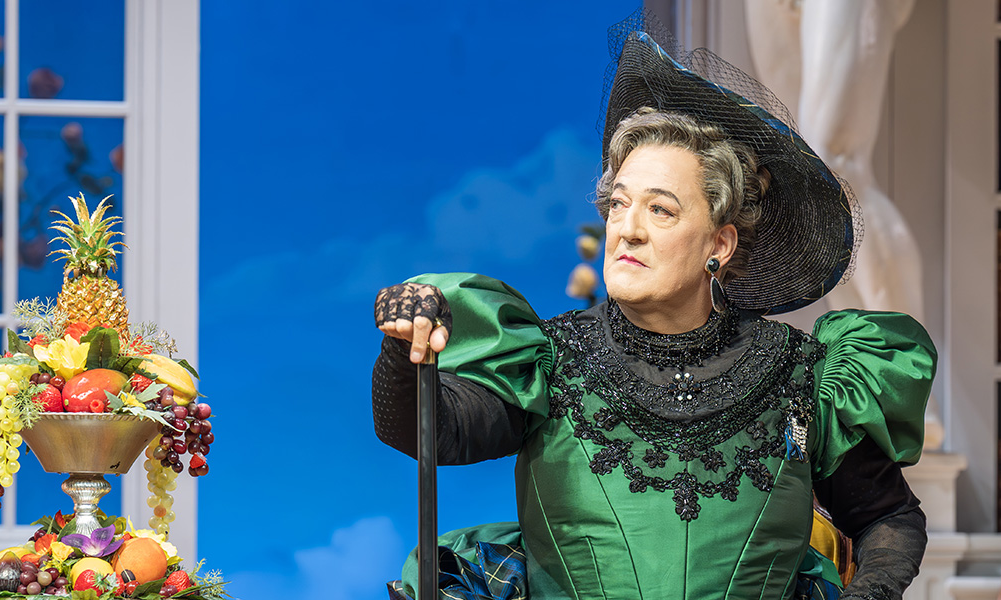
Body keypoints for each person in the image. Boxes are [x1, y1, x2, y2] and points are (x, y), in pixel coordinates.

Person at [371, 17, 934, 600]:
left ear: (720, 243)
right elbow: (427, 430)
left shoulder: (803, 378)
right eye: (618, 205)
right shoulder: (549, 361)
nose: (627, 230)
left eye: (660, 210)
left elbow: (888, 518)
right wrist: (400, 345)